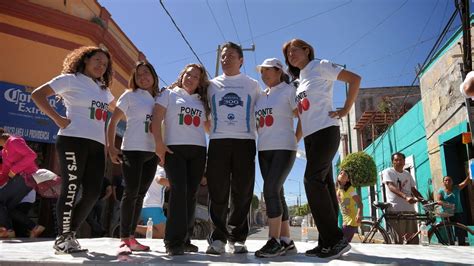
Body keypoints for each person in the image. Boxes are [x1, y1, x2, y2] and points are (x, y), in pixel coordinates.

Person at [32, 46, 115, 254]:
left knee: (94, 192)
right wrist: (58, 118)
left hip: (97, 145)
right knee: (71, 187)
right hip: (72, 140)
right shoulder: (70, 79)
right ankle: (63, 237)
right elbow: (38, 95)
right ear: (85, 60)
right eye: (97, 60)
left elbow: (120, 110)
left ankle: (69, 234)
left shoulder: (104, 90)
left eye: (104, 64)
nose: (100, 66)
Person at [283, 38, 361, 259]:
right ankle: (326, 243)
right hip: (310, 138)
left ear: (307, 50)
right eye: (288, 54)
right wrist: (294, 141)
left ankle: (337, 239)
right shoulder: (299, 80)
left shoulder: (320, 65)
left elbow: (355, 79)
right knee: (325, 186)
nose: (291, 56)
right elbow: (303, 117)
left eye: (294, 51)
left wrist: (345, 109)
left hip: (326, 132)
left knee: (311, 180)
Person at [205, 42, 261, 255]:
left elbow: (264, 107)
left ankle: (237, 238)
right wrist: (212, 131)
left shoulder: (252, 84)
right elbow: (199, 107)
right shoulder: (210, 85)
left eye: (230, 55)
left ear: (241, 59)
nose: (225, 59)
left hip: (245, 142)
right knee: (218, 191)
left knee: (242, 191)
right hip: (218, 141)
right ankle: (217, 239)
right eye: (223, 56)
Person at [152, 63, 209, 256]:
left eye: (195, 77)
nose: (190, 78)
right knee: (178, 191)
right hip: (174, 149)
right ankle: (172, 241)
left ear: (200, 82)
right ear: (182, 75)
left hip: (199, 151)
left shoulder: (201, 101)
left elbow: (208, 127)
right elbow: (156, 118)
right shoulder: (169, 94)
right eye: (188, 74)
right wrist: (158, 144)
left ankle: (186, 239)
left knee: (191, 194)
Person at [107, 61, 159, 255]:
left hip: (152, 152)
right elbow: (113, 121)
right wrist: (111, 147)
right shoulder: (130, 95)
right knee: (131, 192)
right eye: (138, 75)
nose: (143, 77)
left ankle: (131, 237)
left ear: (154, 76)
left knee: (140, 195)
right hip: (132, 149)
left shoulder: (159, 98)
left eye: (146, 73)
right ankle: (124, 237)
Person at [253, 58, 298, 258]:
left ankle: (273, 241)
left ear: (279, 70)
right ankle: (286, 240)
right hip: (264, 150)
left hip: (284, 148)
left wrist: (294, 140)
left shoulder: (289, 91)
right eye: (261, 72)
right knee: (277, 193)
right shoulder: (261, 96)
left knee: (270, 190)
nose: (263, 75)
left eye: (267, 71)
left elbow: (302, 117)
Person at [0, 129, 44, 238]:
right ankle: (34, 227)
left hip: (27, 176)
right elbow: (5, 172)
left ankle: (9, 230)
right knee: (7, 208)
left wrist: (14, 169)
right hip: (20, 178)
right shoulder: (3, 151)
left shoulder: (14, 141)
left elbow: (31, 155)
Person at [382, 152, 418, 244]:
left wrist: (423, 200)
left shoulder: (407, 174)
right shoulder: (388, 172)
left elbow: (413, 189)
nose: (399, 162)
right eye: (396, 160)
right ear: (392, 162)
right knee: (398, 241)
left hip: (410, 210)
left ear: (404, 161)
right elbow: (391, 186)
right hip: (396, 210)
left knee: (413, 239)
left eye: (401, 160)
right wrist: (406, 197)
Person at [135, 164, 169, 239]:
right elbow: (159, 180)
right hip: (153, 206)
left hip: (145, 205)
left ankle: (131, 228)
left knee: (154, 231)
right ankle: (131, 228)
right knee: (163, 234)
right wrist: (176, 184)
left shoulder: (152, 168)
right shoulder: (161, 169)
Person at [437, 175, 471, 245]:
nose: (447, 181)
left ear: (452, 182)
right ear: (443, 182)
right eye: (446, 180)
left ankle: (461, 244)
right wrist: (447, 204)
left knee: (460, 229)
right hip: (446, 213)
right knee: (448, 231)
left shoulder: (456, 188)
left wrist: (470, 172)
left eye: (449, 180)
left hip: (457, 212)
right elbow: (438, 201)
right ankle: (451, 245)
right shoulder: (441, 191)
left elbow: (465, 182)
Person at [336, 170, 363, 242]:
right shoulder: (338, 190)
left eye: (345, 174)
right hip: (345, 221)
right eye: (341, 173)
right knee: (343, 243)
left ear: (348, 179)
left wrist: (359, 214)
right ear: (338, 177)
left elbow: (359, 203)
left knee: (341, 242)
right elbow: (341, 204)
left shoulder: (350, 189)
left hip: (351, 221)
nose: (342, 174)